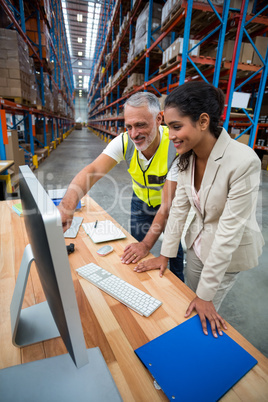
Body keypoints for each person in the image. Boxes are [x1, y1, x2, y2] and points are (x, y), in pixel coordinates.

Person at [134, 81, 264, 338]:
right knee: (188, 299)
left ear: (203, 121)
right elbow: (178, 210)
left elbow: (228, 233)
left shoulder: (243, 161)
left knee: (202, 309)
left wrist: (206, 296)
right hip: (196, 244)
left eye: (176, 126)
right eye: (168, 127)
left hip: (230, 252)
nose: (170, 135)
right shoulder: (186, 159)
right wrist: (166, 254)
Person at [58, 92, 184, 280]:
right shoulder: (125, 142)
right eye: (129, 126)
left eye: (141, 125)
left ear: (159, 119)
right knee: (135, 251)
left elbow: (167, 206)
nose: (134, 134)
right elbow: (92, 171)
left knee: (173, 251)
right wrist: (67, 206)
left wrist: (147, 244)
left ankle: (180, 286)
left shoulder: (175, 144)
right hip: (140, 203)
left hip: (170, 206)